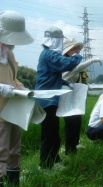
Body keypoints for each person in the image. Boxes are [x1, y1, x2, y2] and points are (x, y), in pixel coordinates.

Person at [35, 27, 83, 169]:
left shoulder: (48, 55)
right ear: (56, 41)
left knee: (53, 134)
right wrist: (78, 55)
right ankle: (45, 165)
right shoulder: (49, 54)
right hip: (46, 99)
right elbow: (67, 64)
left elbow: (51, 77)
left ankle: (54, 159)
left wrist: (66, 83)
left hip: (50, 99)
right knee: (49, 134)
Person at [0, 10, 34, 186]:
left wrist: (21, 87)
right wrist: (2, 88)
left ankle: (14, 182)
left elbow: (13, 78)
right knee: (1, 151)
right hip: (0, 112)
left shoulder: (9, 55)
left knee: (15, 149)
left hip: (13, 109)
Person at [62, 38, 102, 155]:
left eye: (78, 49)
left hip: (77, 96)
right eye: (75, 48)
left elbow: (82, 76)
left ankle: (74, 145)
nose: (78, 51)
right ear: (67, 50)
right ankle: (70, 150)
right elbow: (75, 69)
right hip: (67, 97)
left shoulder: (75, 63)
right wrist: (92, 60)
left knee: (77, 123)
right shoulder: (65, 62)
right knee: (70, 123)